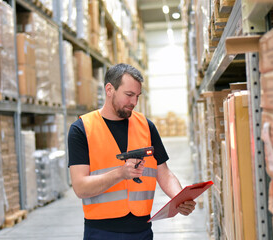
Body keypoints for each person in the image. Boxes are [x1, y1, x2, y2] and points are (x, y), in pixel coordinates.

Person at [68, 63, 196, 240]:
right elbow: (80, 187)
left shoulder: (146, 126)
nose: (134, 102)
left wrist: (179, 198)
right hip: (101, 232)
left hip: (142, 231)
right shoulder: (82, 129)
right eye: (129, 95)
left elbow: (164, 172)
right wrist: (120, 173)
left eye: (137, 96)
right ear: (109, 89)